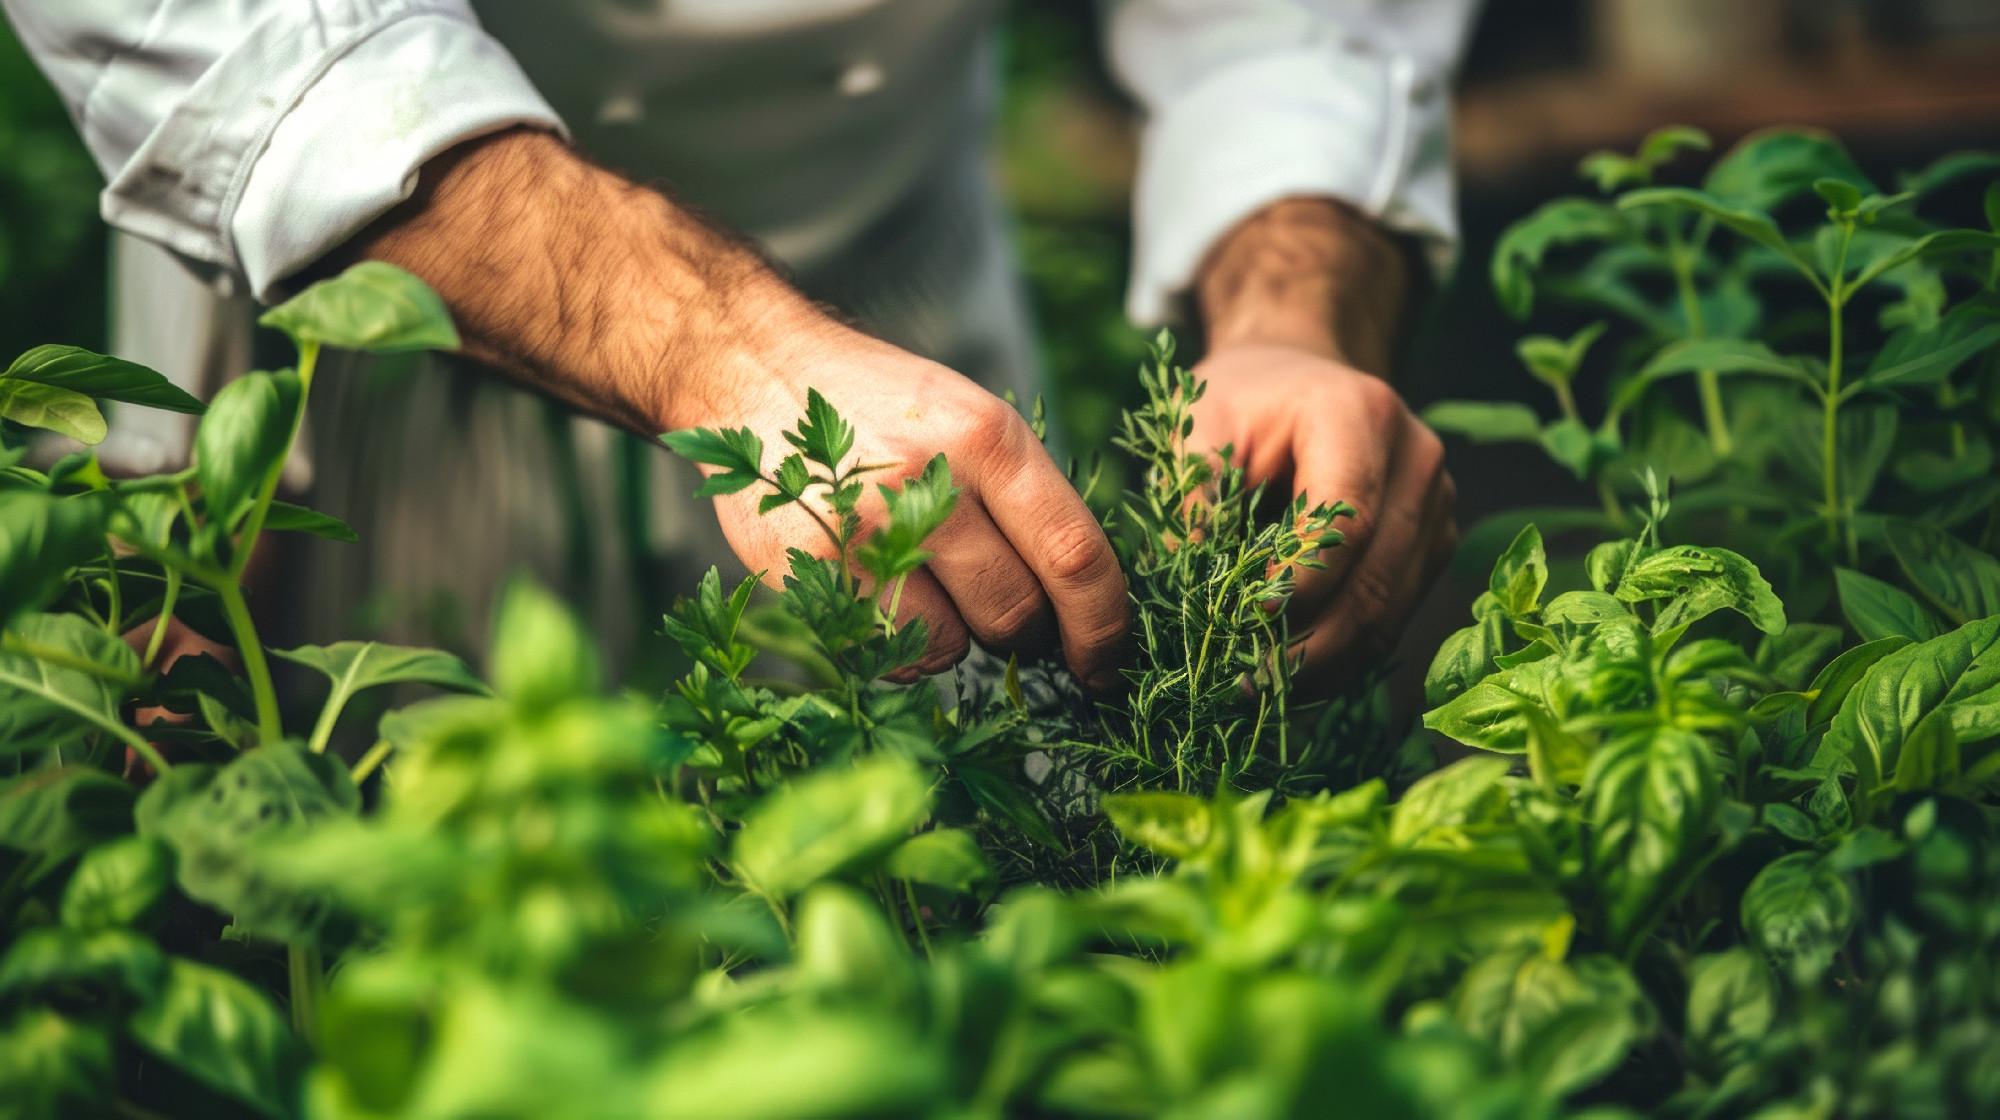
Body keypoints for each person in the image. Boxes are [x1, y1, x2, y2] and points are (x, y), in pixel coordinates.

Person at [3, 0, 1467, 693]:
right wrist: (737, 356)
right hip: (385, 329)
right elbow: (250, 45)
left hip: (911, 327)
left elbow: (1296, 25)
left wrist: (1291, 314)